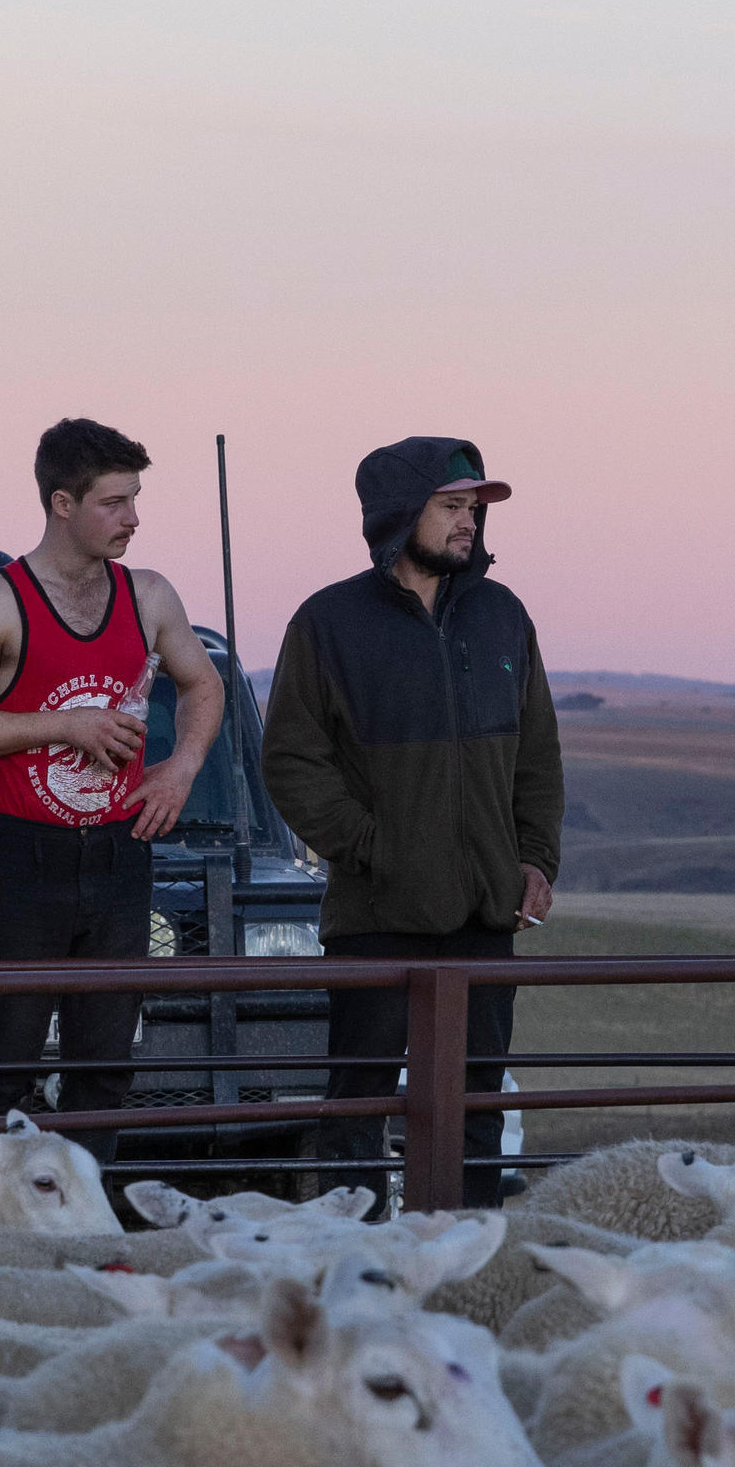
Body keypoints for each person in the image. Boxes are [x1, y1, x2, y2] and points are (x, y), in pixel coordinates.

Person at [259, 436, 562, 1192]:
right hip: (376, 915)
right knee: (358, 1111)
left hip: (486, 918)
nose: (469, 524)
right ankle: (356, 1280)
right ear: (400, 516)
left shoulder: (502, 615)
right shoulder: (328, 623)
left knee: (476, 1107)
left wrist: (535, 859)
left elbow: (537, 753)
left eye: (473, 510)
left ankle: (469, 1270)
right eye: (452, 507)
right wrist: (376, 848)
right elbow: (290, 760)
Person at [0, 419, 229, 1131]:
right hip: (25, 858)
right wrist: (66, 724)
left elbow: (203, 686)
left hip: (124, 853)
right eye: (113, 503)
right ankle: (1, 1238)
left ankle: (88, 1234)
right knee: (4, 1074)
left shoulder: (148, 595)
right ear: (62, 504)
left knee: (106, 1071)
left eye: (135, 498)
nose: (133, 518)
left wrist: (180, 770)